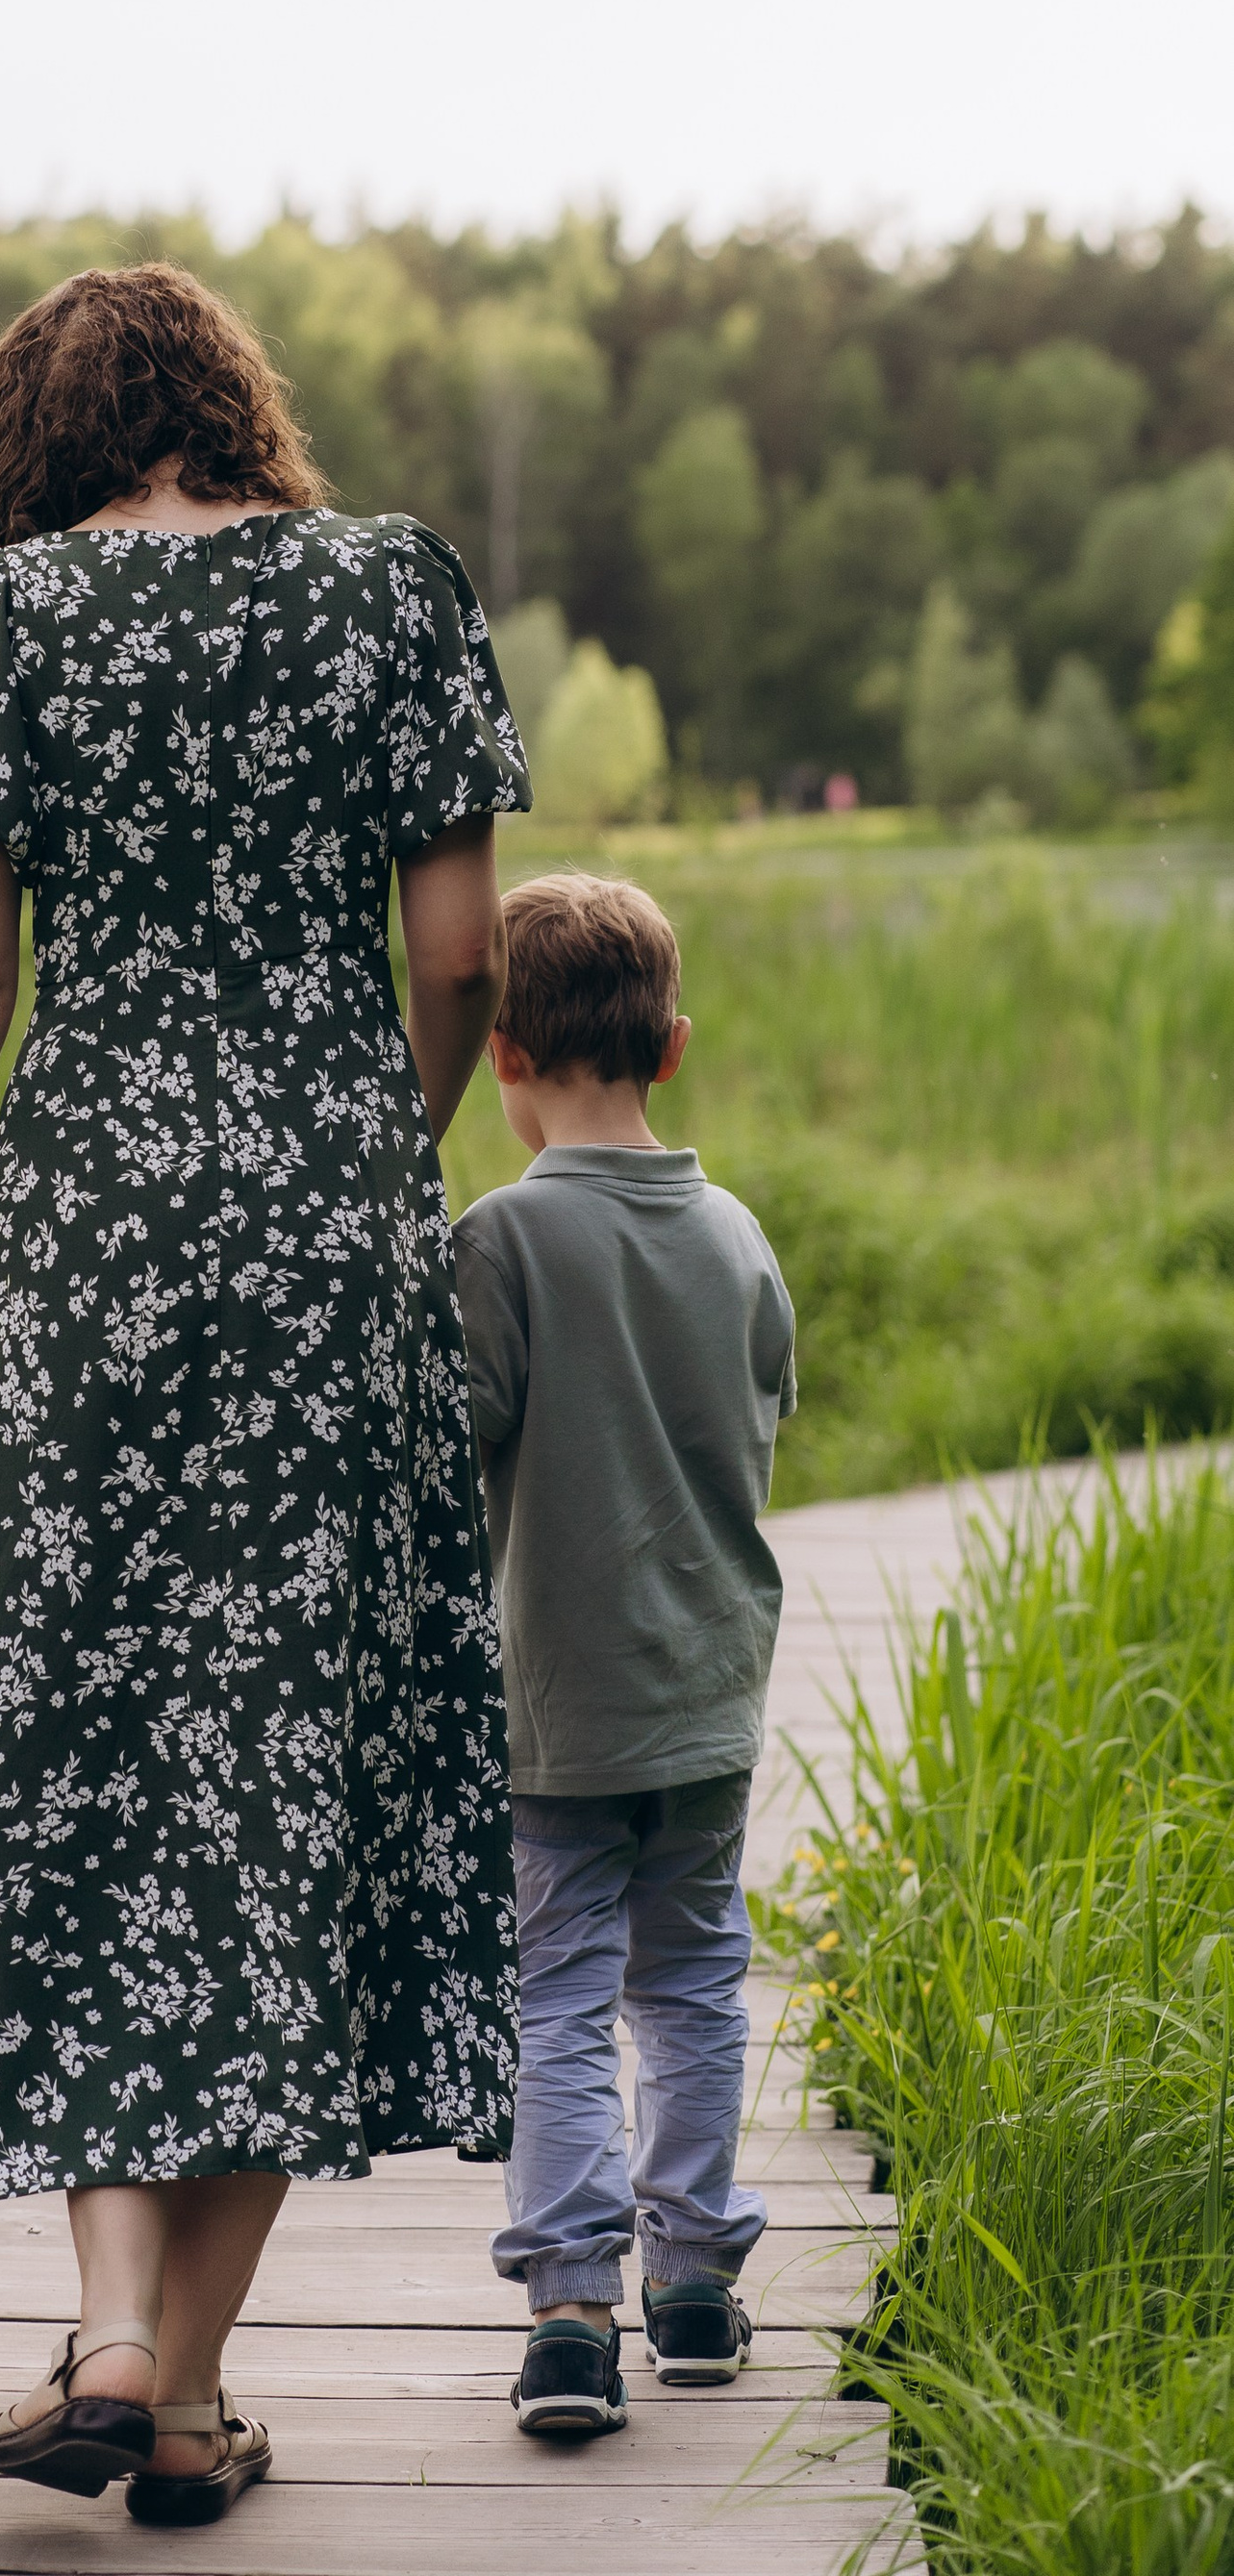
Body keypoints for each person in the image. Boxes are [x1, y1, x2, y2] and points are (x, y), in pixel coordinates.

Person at [0, 262, 526, 2528]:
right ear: (237, 406)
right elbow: (459, 953)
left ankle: (115, 2330)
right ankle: (184, 2382)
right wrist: (356, 1145)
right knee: (294, 1767)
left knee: (98, 1741)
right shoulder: (391, 586)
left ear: (29, 437)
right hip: (330, 1236)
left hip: (89, 1243)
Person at [452, 873, 797, 2438]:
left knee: (561, 1994)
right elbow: (762, 1419)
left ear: (502, 1053)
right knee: (698, 1979)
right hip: (710, 1693)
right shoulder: (736, 1236)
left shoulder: (503, 1240)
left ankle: (574, 2315)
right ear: (673, 1045)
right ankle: (701, 2285)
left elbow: (458, 1444)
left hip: (558, 1708)